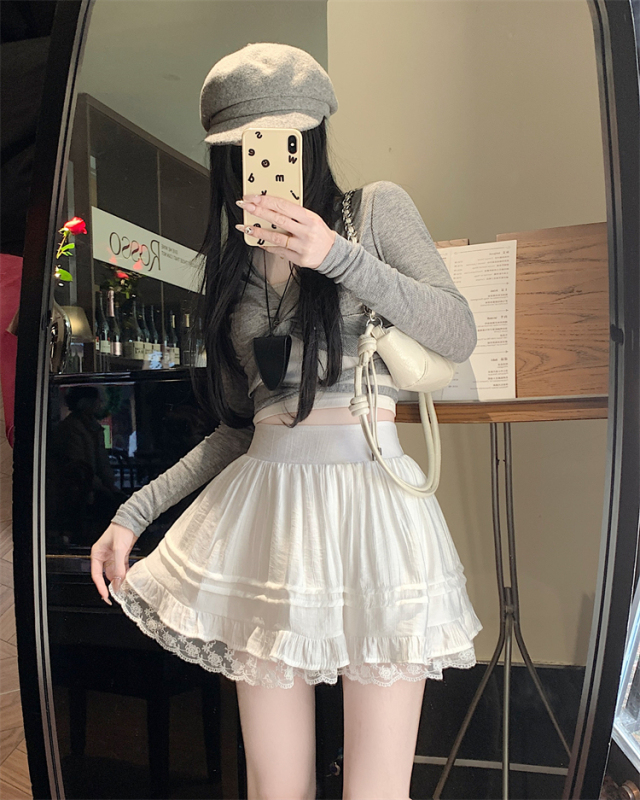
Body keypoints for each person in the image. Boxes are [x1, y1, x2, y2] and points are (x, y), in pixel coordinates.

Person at [90, 42, 483, 800]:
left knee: (377, 792)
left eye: (282, 142)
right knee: (275, 789)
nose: (264, 164)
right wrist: (132, 514)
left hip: (373, 512)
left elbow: (457, 331)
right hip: (268, 523)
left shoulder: (374, 211)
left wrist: (335, 255)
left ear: (312, 138)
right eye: (244, 150)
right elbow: (241, 429)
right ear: (224, 158)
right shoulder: (231, 268)